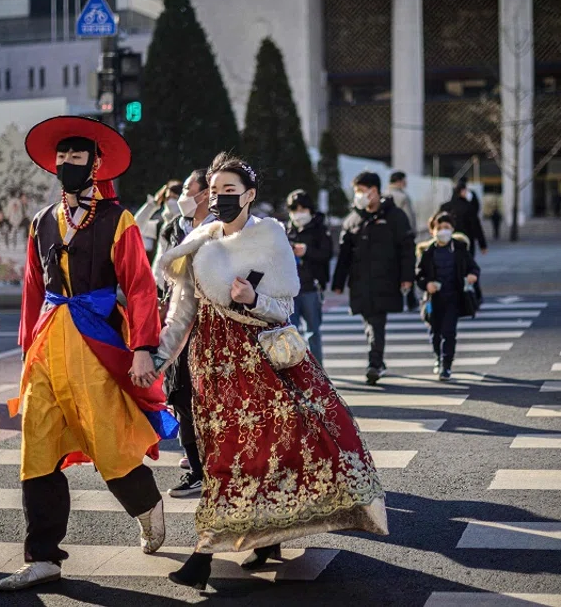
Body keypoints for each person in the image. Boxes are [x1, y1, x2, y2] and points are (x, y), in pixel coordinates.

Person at [153, 153, 388, 590]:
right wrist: (156, 359)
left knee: (259, 455)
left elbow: (284, 309)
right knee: (223, 457)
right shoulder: (198, 244)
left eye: (230, 191)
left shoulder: (271, 239)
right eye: (215, 190)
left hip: (261, 367)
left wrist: (251, 299)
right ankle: (266, 540)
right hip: (213, 369)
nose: (221, 199)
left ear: (250, 195)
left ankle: (202, 556)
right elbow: (180, 315)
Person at [0, 116, 178, 591]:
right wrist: (26, 349)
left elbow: (139, 286)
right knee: (36, 449)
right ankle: (43, 557)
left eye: (78, 157)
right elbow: (33, 289)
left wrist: (142, 349)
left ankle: (147, 507)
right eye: (62, 157)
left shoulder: (120, 220)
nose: (67, 164)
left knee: (110, 443)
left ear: (96, 165)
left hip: (95, 342)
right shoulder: (41, 222)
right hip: (47, 344)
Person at [151, 168, 214, 499]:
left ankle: (208, 469)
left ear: (204, 194)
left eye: (188, 189)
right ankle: (197, 467)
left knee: (200, 399)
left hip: (208, 328)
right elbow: (162, 271)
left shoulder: (218, 232)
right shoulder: (176, 226)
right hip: (177, 317)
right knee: (179, 396)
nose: (182, 197)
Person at [332, 172, 416, 384]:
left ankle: (375, 363)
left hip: (385, 279)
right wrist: (338, 283)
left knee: (377, 322)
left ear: (375, 191)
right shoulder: (353, 219)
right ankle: (378, 360)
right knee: (369, 322)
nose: (359, 195)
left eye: (362, 190)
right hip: (360, 282)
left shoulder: (395, 216)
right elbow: (344, 255)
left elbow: (407, 248)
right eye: (357, 191)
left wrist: (407, 277)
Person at [415, 212, 480, 381]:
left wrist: (473, 275)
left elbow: (473, 267)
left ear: (452, 229)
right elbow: (419, 275)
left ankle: (446, 365)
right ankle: (438, 357)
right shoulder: (427, 252)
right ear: (432, 231)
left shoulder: (459, 249)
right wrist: (427, 284)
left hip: (454, 297)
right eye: (439, 227)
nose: (443, 231)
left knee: (449, 332)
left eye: (447, 228)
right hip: (433, 299)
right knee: (435, 332)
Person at [285, 189, 332, 364]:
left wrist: (306, 251)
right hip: (290, 289)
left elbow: (326, 253)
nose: (298, 214)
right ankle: (297, 369)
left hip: (311, 287)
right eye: (294, 210)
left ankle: (318, 369)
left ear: (310, 210)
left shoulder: (320, 229)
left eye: (302, 209)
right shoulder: (285, 230)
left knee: (313, 331)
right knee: (291, 332)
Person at [385, 171, 419, 311]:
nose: (406, 183)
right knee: (407, 266)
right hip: (403, 237)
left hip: (387, 239)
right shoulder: (403, 197)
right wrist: (412, 233)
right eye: (404, 180)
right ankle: (411, 299)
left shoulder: (383, 195)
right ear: (399, 181)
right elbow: (409, 218)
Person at [439, 179, 487, 257]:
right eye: (465, 190)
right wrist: (482, 245)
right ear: (462, 191)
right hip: (466, 241)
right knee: (467, 265)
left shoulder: (445, 207)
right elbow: (476, 226)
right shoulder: (469, 207)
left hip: (448, 241)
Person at [135, 180, 182, 258]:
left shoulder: (188, 225)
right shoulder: (160, 226)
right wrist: (153, 204)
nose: (170, 201)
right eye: (167, 198)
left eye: (174, 198)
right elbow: (136, 226)